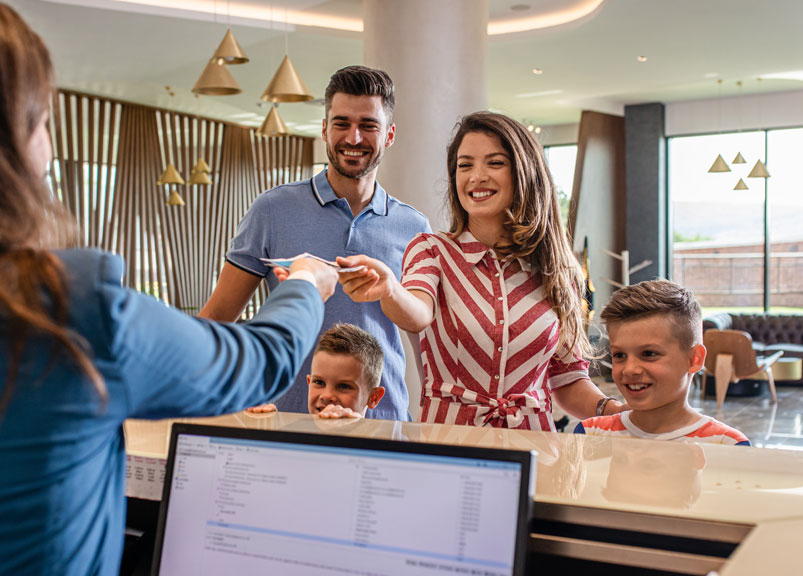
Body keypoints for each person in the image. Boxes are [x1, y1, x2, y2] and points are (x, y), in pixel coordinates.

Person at [0, 1, 338, 573]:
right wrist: (305, 282)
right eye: (41, 119)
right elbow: (261, 360)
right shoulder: (67, 310)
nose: (49, 146)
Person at [337, 111, 624, 430]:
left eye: (495, 163)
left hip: (535, 452)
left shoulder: (559, 270)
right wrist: (390, 289)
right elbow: (417, 314)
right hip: (449, 449)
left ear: (524, 172)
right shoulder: (432, 250)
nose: (477, 176)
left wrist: (617, 411)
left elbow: (569, 380)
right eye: (465, 165)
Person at [198, 66, 431, 421]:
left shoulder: (414, 226)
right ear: (324, 129)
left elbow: (424, 337)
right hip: (285, 418)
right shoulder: (273, 210)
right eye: (341, 123)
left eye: (368, 125)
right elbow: (217, 317)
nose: (353, 137)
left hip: (383, 422)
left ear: (389, 135)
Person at [574, 280, 751, 445]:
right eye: (620, 355)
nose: (629, 369)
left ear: (694, 359)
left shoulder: (726, 443)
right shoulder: (590, 434)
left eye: (648, 353)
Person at [248, 323, 386, 419]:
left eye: (343, 386)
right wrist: (266, 433)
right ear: (309, 382)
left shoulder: (382, 451)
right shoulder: (296, 441)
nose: (326, 396)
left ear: (373, 398)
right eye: (319, 382)